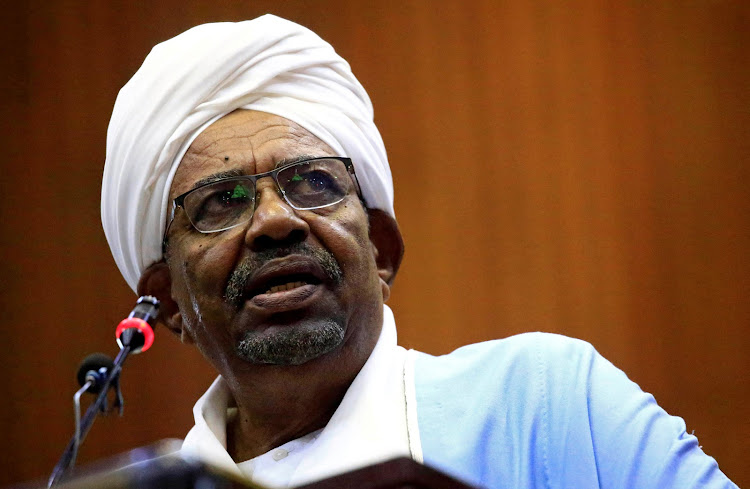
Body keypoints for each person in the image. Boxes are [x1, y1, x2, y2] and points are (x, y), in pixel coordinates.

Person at [101, 14, 737, 489]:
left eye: (313, 184)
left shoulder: (545, 401)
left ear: (380, 252)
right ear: (167, 302)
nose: (273, 222)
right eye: (221, 202)